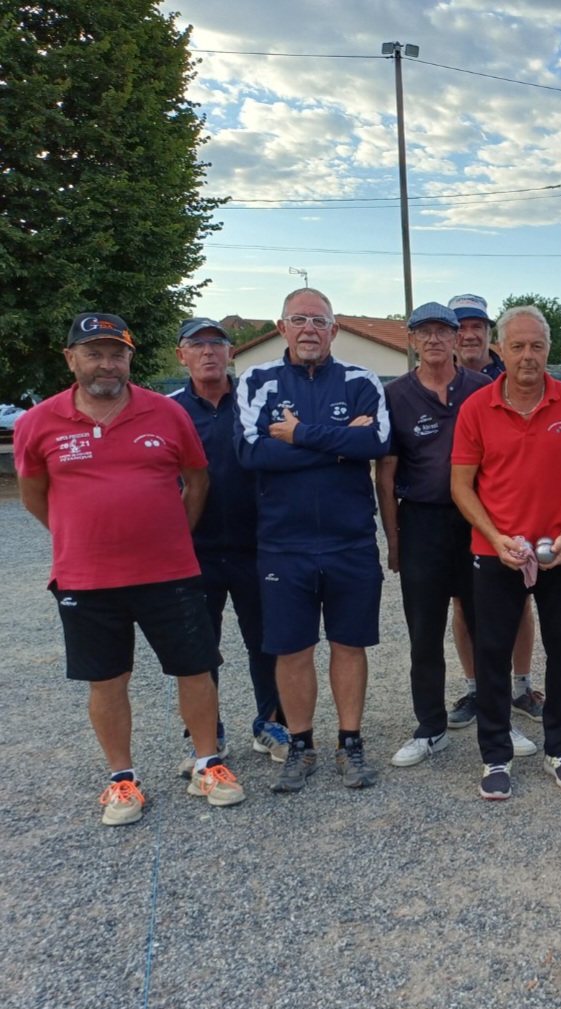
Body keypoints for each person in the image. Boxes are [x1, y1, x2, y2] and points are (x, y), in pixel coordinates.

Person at [15, 313, 244, 825]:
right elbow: (34, 494)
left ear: (130, 359)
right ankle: (122, 779)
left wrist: (173, 535)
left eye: (116, 353)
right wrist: (79, 534)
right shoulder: (39, 422)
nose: (106, 364)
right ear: (70, 358)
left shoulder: (166, 413)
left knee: (196, 668)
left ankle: (208, 763)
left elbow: (197, 481)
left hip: (170, 573)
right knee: (107, 679)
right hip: (86, 579)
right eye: (93, 353)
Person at [235, 288, 390, 792]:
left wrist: (299, 434)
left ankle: (351, 742)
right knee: (293, 649)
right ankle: (300, 746)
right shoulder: (256, 381)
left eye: (319, 321)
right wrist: (338, 444)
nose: (309, 329)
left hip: (350, 542)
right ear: (281, 327)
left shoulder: (362, 380)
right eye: (298, 319)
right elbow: (251, 454)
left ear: (334, 330)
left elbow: (378, 441)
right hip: (285, 544)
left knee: (349, 645)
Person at [376, 304, 538, 768]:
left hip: (478, 521)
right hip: (423, 521)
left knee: (489, 624)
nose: (434, 340)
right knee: (423, 630)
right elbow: (385, 475)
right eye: (423, 332)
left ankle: (498, 720)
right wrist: (394, 539)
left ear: (457, 339)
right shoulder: (395, 395)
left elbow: (507, 459)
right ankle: (430, 728)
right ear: (411, 340)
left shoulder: (483, 388)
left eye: (443, 332)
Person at [452, 305, 561, 799]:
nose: (528, 355)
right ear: (500, 350)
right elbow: (462, 486)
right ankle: (495, 756)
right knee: (492, 655)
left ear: (549, 350)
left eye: (537, 346)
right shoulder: (476, 408)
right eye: (517, 346)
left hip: (560, 550)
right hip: (496, 553)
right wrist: (495, 539)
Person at [168, 318, 286, 774]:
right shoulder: (170, 410)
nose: (208, 352)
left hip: (257, 545)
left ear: (231, 352)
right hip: (193, 549)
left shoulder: (255, 401)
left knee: (266, 640)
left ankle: (270, 721)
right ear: (182, 356)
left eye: (216, 344)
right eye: (196, 346)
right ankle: (207, 731)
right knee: (200, 646)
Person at [443, 292, 540, 728]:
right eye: (459, 326)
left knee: (520, 599)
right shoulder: (434, 376)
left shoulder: (514, 373)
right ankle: (475, 688)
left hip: (508, 512)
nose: (468, 334)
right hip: (452, 510)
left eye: (477, 326)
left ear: (490, 335)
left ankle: (520, 686)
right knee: (463, 603)